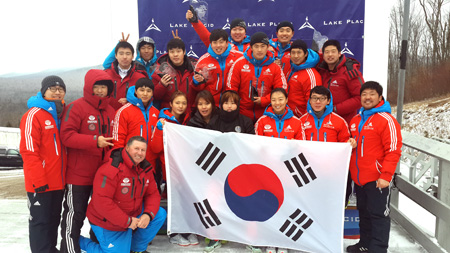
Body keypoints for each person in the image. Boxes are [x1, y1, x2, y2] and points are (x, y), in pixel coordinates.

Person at [59, 70, 116, 253]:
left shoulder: (111, 111)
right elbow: (66, 136)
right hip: (78, 175)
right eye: (97, 87)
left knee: (100, 215)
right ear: (89, 87)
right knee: (75, 216)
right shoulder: (76, 107)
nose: (100, 91)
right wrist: (94, 141)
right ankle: (69, 249)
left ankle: (96, 247)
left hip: (103, 175)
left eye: (104, 87)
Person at [79, 136, 166, 253]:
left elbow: (153, 194)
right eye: (136, 148)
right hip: (107, 220)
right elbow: (102, 202)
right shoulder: (111, 168)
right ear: (127, 148)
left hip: (131, 214)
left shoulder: (146, 168)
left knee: (158, 215)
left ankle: (136, 249)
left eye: (143, 150)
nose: (139, 153)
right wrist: (127, 221)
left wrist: (147, 215)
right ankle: (78, 241)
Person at [347, 81, 402, 253]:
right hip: (359, 178)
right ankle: (365, 244)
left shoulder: (387, 120)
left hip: (378, 178)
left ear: (379, 97)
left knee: (379, 215)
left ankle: (378, 249)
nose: (367, 97)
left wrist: (386, 176)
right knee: (363, 213)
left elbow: (393, 150)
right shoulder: (356, 120)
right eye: (364, 94)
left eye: (371, 94)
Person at [19, 75, 67, 253]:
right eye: (52, 88)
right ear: (43, 91)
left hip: (58, 182)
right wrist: (38, 182)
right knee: (40, 222)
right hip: (40, 183)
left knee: (54, 219)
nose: (57, 91)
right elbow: (29, 152)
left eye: (60, 88)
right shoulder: (33, 115)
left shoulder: (62, 113)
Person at [227, 32, 288, 123]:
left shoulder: (274, 67)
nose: (259, 50)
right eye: (256, 46)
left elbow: (282, 90)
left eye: (263, 46)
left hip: (267, 113)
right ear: (251, 47)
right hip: (242, 113)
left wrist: (265, 100)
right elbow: (231, 88)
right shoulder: (239, 63)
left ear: (268, 47)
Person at [112, 78, 160, 171]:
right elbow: (118, 138)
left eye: (148, 91)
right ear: (136, 91)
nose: (145, 94)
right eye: (142, 90)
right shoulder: (124, 111)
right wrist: (120, 159)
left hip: (151, 162)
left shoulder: (156, 112)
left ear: (152, 93)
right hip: (130, 161)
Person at [316, 39, 364, 124]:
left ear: (339, 53)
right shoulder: (321, 71)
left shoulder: (349, 71)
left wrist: (335, 109)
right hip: (323, 122)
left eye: (333, 51)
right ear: (323, 55)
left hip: (344, 122)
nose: (330, 55)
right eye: (327, 52)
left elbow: (360, 97)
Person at [193, 29, 243, 106]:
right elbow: (199, 89)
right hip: (211, 106)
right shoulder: (203, 61)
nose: (218, 45)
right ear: (211, 44)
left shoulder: (239, 57)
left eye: (221, 42)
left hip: (233, 105)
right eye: (215, 42)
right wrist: (196, 82)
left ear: (227, 43)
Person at [151, 91, 190, 184]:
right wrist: (159, 130)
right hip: (167, 169)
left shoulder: (188, 120)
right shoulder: (162, 121)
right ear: (171, 104)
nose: (181, 106)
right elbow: (155, 148)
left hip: (183, 167)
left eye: (184, 103)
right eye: (177, 103)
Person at [152, 38, 198, 113]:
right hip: (169, 114)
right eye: (172, 52)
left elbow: (202, 91)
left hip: (191, 114)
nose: (175, 54)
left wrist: (198, 83)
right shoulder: (160, 70)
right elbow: (155, 96)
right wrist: (162, 85)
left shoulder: (195, 67)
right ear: (168, 53)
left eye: (178, 51)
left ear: (184, 52)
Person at [282, 39, 322, 117]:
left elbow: (314, 102)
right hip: (289, 117)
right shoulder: (292, 68)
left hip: (302, 119)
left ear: (306, 53)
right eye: (293, 53)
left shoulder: (311, 74)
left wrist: (305, 121)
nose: (296, 56)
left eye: (299, 52)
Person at [104, 41, 148, 111]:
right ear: (116, 56)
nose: (124, 57)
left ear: (133, 56)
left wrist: (131, 101)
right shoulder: (106, 75)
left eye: (128, 54)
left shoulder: (140, 77)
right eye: (121, 54)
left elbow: (147, 100)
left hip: (131, 117)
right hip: (109, 116)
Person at [186, 7, 250, 52]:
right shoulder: (224, 44)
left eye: (240, 29)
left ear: (245, 32)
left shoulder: (253, 45)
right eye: (234, 29)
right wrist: (195, 22)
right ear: (230, 32)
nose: (237, 32)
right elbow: (206, 37)